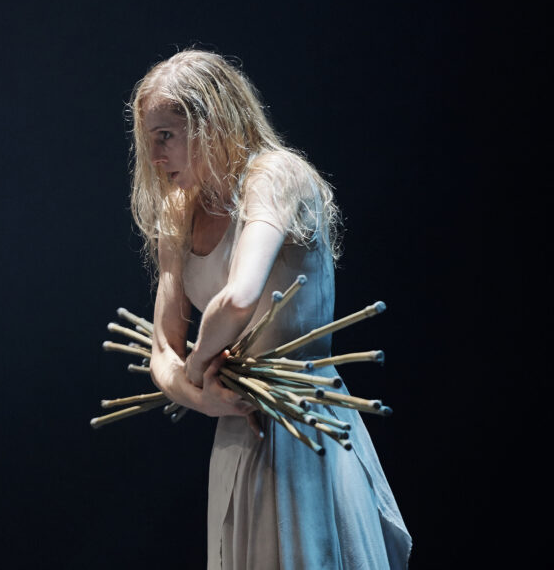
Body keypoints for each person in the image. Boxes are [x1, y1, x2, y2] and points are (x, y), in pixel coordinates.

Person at [128, 50, 411, 569]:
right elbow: (161, 348)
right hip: (238, 426)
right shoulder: (179, 211)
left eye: (166, 135)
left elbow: (239, 299)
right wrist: (201, 398)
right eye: (149, 139)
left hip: (302, 422)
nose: (155, 155)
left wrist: (198, 367)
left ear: (211, 122)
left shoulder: (275, 175)